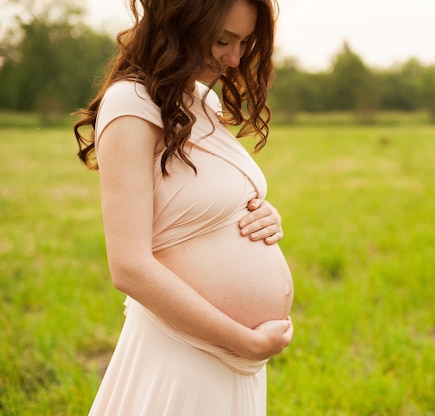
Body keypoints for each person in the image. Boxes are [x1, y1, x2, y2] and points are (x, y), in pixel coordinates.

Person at [73, 0, 293, 414]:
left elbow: (203, 200)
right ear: (178, 25)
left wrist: (264, 214)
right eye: (222, 40)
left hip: (224, 355)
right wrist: (242, 340)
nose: (234, 58)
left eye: (244, 42)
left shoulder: (197, 100)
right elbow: (129, 267)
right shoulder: (131, 106)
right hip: (182, 351)